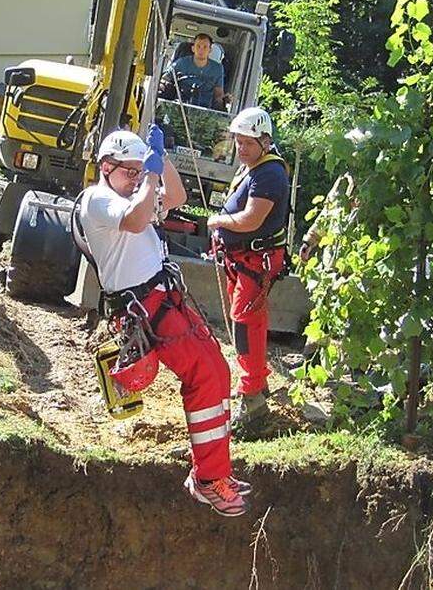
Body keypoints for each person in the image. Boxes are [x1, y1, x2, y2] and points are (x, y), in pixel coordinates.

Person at [74, 125, 251, 517]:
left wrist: (162, 157)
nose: (136, 178)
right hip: (145, 306)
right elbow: (138, 220)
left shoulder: (134, 191)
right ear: (106, 167)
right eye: (129, 171)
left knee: (217, 371)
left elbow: (178, 197)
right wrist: (149, 173)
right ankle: (209, 478)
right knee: (203, 374)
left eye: (139, 171)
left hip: (164, 297)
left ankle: (215, 469)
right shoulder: (97, 200)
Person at [207, 107, 291, 428]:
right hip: (242, 258)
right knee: (247, 321)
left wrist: (218, 220)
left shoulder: (270, 173)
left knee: (245, 324)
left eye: (247, 144)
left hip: (258, 260)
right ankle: (258, 381)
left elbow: (252, 219)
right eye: (238, 143)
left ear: (265, 141)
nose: (241, 149)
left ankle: (253, 399)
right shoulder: (253, 166)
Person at [164, 33, 225, 109]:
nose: (201, 50)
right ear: (193, 48)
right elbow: (165, 79)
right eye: (198, 46)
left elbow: (218, 94)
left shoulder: (217, 69)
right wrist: (164, 85)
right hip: (178, 107)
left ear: (210, 50)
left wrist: (222, 102)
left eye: (205, 47)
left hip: (205, 113)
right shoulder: (180, 63)